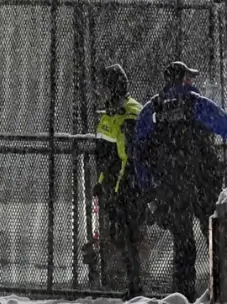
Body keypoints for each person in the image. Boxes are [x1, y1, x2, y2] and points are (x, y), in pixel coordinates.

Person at [134, 60, 227, 301]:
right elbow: (223, 124)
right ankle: (220, 291)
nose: (192, 81)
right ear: (183, 80)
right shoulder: (194, 103)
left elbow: (139, 151)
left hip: (170, 188)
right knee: (215, 238)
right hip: (200, 182)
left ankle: (181, 296)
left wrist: (149, 189)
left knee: (183, 245)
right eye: (189, 77)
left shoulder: (152, 109)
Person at [92, 63, 145, 299]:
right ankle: (134, 286)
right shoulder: (110, 114)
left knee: (129, 235)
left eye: (104, 87)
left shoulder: (130, 112)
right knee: (120, 236)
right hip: (117, 187)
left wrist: (121, 185)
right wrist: (103, 182)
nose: (100, 92)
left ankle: (137, 288)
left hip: (130, 186)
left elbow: (129, 156)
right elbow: (110, 155)